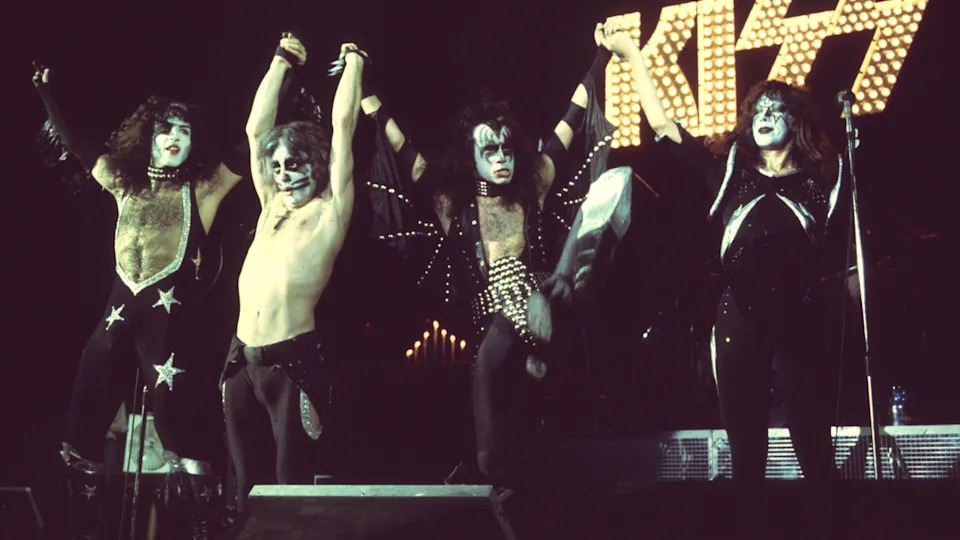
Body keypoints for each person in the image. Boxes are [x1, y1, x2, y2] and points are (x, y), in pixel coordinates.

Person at [361, 24, 634, 486]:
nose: (502, 158)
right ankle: (501, 473)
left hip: (539, 301)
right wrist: (366, 93)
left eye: (507, 148)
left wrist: (601, 57)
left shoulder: (534, 183)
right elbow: (403, 149)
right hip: (482, 318)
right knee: (503, 389)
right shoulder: (452, 202)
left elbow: (571, 120)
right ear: (471, 155)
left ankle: (493, 457)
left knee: (499, 355)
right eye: (490, 150)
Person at [599, 22, 847, 483]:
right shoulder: (729, 172)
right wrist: (632, 54)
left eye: (777, 109)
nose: (766, 115)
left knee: (814, 449)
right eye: (758, 110)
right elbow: (663, 126)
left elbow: (840, 254)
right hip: (740, 316)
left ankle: (829, 516)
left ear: (796, 122)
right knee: (746, 457)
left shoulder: (821, 181)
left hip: (802, 313)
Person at [33, 55, 249, 538]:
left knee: (180, 428)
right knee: (83, 418)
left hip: (165, 334)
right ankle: (81, 527)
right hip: (115, 321)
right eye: (164, 129)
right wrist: (47, 94)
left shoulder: (203, 189)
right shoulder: (123, 186)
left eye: (184, 131)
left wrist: (284, 72)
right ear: (147, 138)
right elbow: (78, 144)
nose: (174, 137)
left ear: (194, 142)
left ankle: (204, 529)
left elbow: (247, 146)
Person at [219, 36, 362, 513]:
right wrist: (281, 62)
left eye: (294, 164)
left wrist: (355, 64)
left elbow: (343, 126)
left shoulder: (330, 211)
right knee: (243, 490)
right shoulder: (271, 207)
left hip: (291, 365)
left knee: (290, 490)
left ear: (315, 165)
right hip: (241, 361)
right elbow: (255, 130)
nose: (283, 175)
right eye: (277, 167)